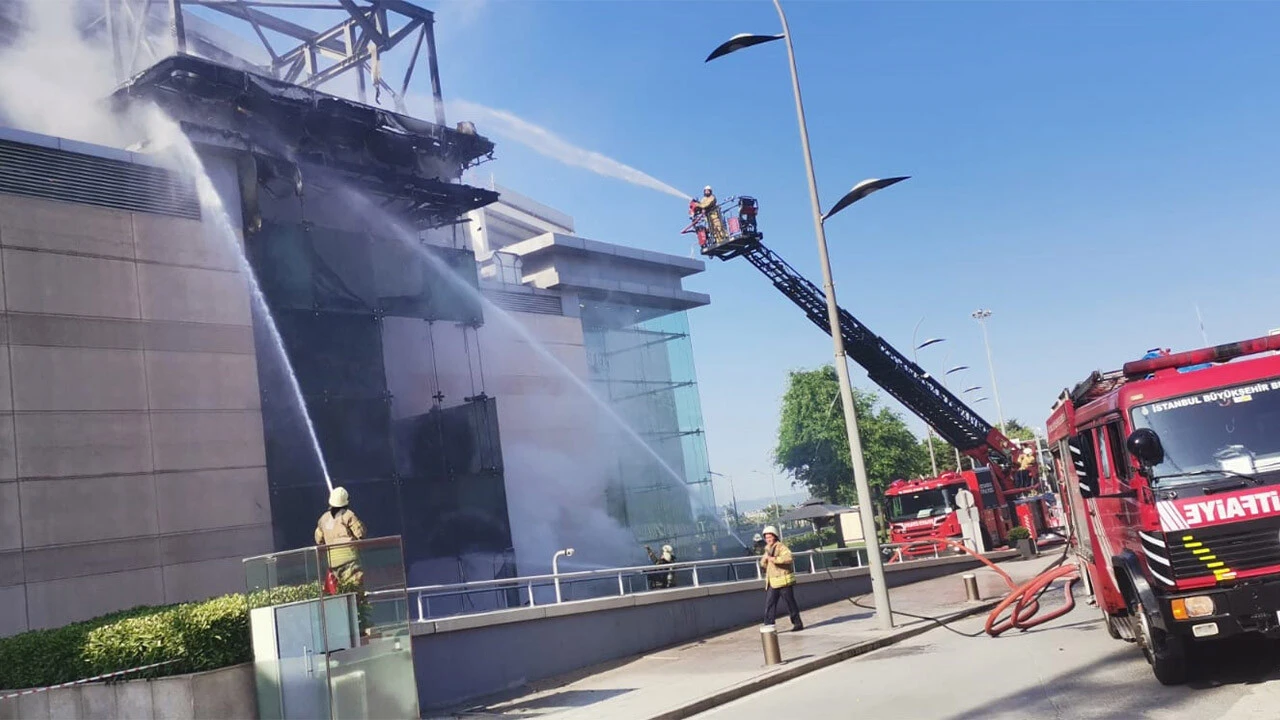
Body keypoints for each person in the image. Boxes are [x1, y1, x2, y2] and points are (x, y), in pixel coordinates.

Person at [759, 526, 803, 631]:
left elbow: (789, 558)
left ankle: (797, 623)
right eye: (766, 538)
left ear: (775, 537)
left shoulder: (781, 547)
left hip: (784, 582)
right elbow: (763, 563)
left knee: (790, 603)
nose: (768, 539)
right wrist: (764, 561)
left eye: (770, 537)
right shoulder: (767, 549)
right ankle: (769, 625)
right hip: (773, 582)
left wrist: (774, 559)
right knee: (770, 604)